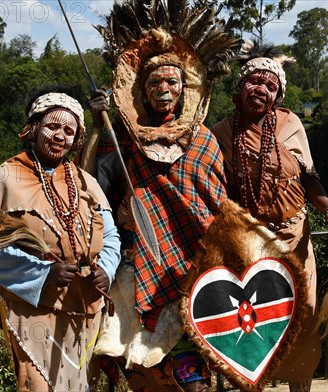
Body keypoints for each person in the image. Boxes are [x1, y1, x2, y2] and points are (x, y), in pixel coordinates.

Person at [85, 1, 239, 391]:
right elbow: (93, 186)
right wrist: (95, 125)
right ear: (142, 90)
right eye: (154, 83)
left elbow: (215, 202)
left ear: (184, 89)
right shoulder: (124, 138)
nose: (163, 90)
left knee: (194, 373)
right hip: (141, 260)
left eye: (171, 83)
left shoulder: (203, 140)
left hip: (194, 264)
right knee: (144, 367)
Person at [211, 46, 328, 392]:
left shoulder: (291, 124)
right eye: (254, 81)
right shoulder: (220, 134)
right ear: (240, 87)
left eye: (270, 85)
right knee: (251, 325)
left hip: (296, 240)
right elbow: (214, 189)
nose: (261, 89)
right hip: (248, 246)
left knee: (300, 323)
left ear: (278, 96)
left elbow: (308, 177)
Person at [0, 85, 122, 391]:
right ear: (34, 128)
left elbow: (111, 233)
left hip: (83, 303)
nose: (60, 136)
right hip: (31, 304)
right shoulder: (5, 176)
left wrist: (106, 268)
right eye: (52, 127)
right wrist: (43, 273)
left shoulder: (84, 180)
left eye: (68, 130)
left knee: (80, 384)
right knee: (38, 384)